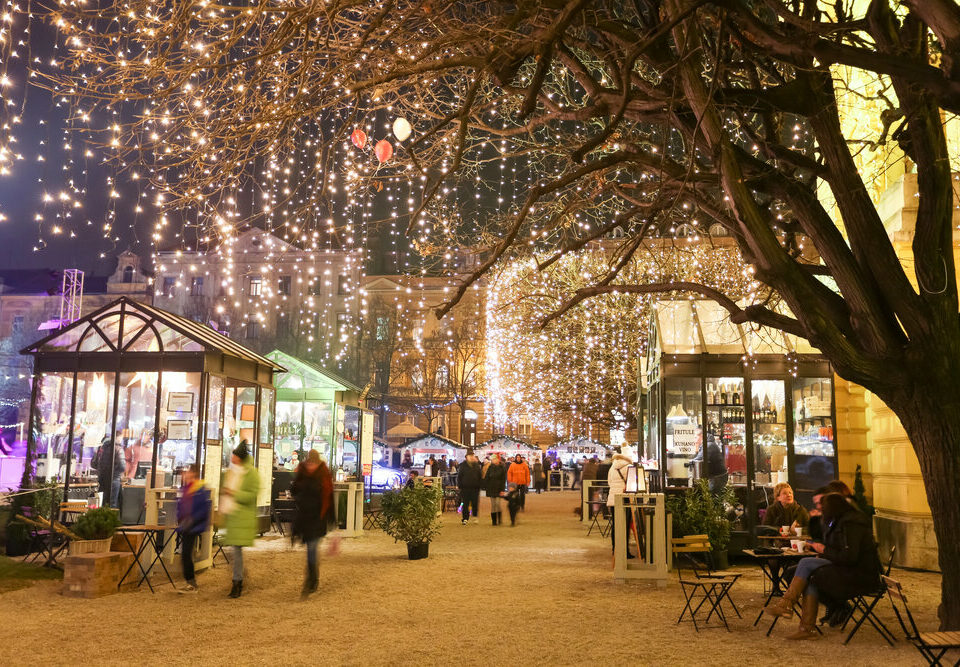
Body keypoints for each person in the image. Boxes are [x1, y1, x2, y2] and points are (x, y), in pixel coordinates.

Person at [763, 493, 882, 640]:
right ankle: (806, 628)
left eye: (822, 505)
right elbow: (835, 546)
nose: (819, 508)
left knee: (806, 564)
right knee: (809, 576)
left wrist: (823, 550)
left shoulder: (852, 523)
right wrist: (822, 550)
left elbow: (849, 556)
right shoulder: (839, 521)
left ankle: (787, 605)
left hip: (860, 574)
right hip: (845, 566)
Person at [291, 449, 333, 598]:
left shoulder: (323, 474)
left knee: (312, 549)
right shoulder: (303, 471)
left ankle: (310, 581)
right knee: (310, 549)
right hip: (306, 517)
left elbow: (328, 496)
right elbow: (294, 489)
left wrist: (330, 518)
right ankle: (313, 578)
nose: (311, 466)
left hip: (317, 517)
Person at [221, 441, 260, 599]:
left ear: (239, 458)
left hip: (242, 517)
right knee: (234, 551)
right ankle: (240, 575)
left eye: (234, 455)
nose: (232, 457)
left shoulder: (250, 474)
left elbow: (251, 495)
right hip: (233, 516)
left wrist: (233, 493)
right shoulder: (232, 472)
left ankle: (237, 583)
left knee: (236, 551)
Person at [176, 463, 211, 593]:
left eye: (189, 472)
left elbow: (202, 509)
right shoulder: (190, 488)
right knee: (185, 553)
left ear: (194, 474)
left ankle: (191, 583)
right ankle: (190, 581)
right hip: (187, 525)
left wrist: (191, 519)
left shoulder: (198, 489)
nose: (187, 474)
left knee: (186, 553)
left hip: (192, 525)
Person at [606, 453, 634, 558]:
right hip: (625, 499)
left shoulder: (612, 468)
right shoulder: (629, 467)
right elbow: (632, 484)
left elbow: (609, 483)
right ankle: (625, 551)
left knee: (616, 525)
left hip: (613, 499)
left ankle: (615, 549)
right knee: (625, 526)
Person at [92, 436, 124, 508]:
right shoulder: (118, 448)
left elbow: (94, 464)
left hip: (102, 479)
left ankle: (102, 518)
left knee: (102, 502)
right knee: (112, 503)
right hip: (114, 479)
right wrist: (117, 473)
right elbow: (122, 466)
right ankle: (111, 518)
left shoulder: (100, 449)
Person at [457, 450, 482, 525]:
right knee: (465, 504)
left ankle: (475, 517)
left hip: (475, 488)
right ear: (467, 457)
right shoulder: (463, 465)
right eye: (470, 456)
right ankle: (465, 518)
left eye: (472, 456)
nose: (471, 457)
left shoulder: (476, 465)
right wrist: (460, 485)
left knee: (475, 503)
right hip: (465, 488)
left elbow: (479, 476)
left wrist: (479, 485)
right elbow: (459, 476)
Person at [482, 453, 507, 525]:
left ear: (497, 459)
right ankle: (494, 521)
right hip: (491, 488)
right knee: (493, 505)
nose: (492, 460)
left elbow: (503, 480)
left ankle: (499, 520)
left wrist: (502, 490)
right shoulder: (490, 467)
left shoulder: (502, 468)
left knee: (498, 504)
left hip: (499, 488)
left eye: (493, 459)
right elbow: (487, 477)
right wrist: (485, 486)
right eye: (492, 459)